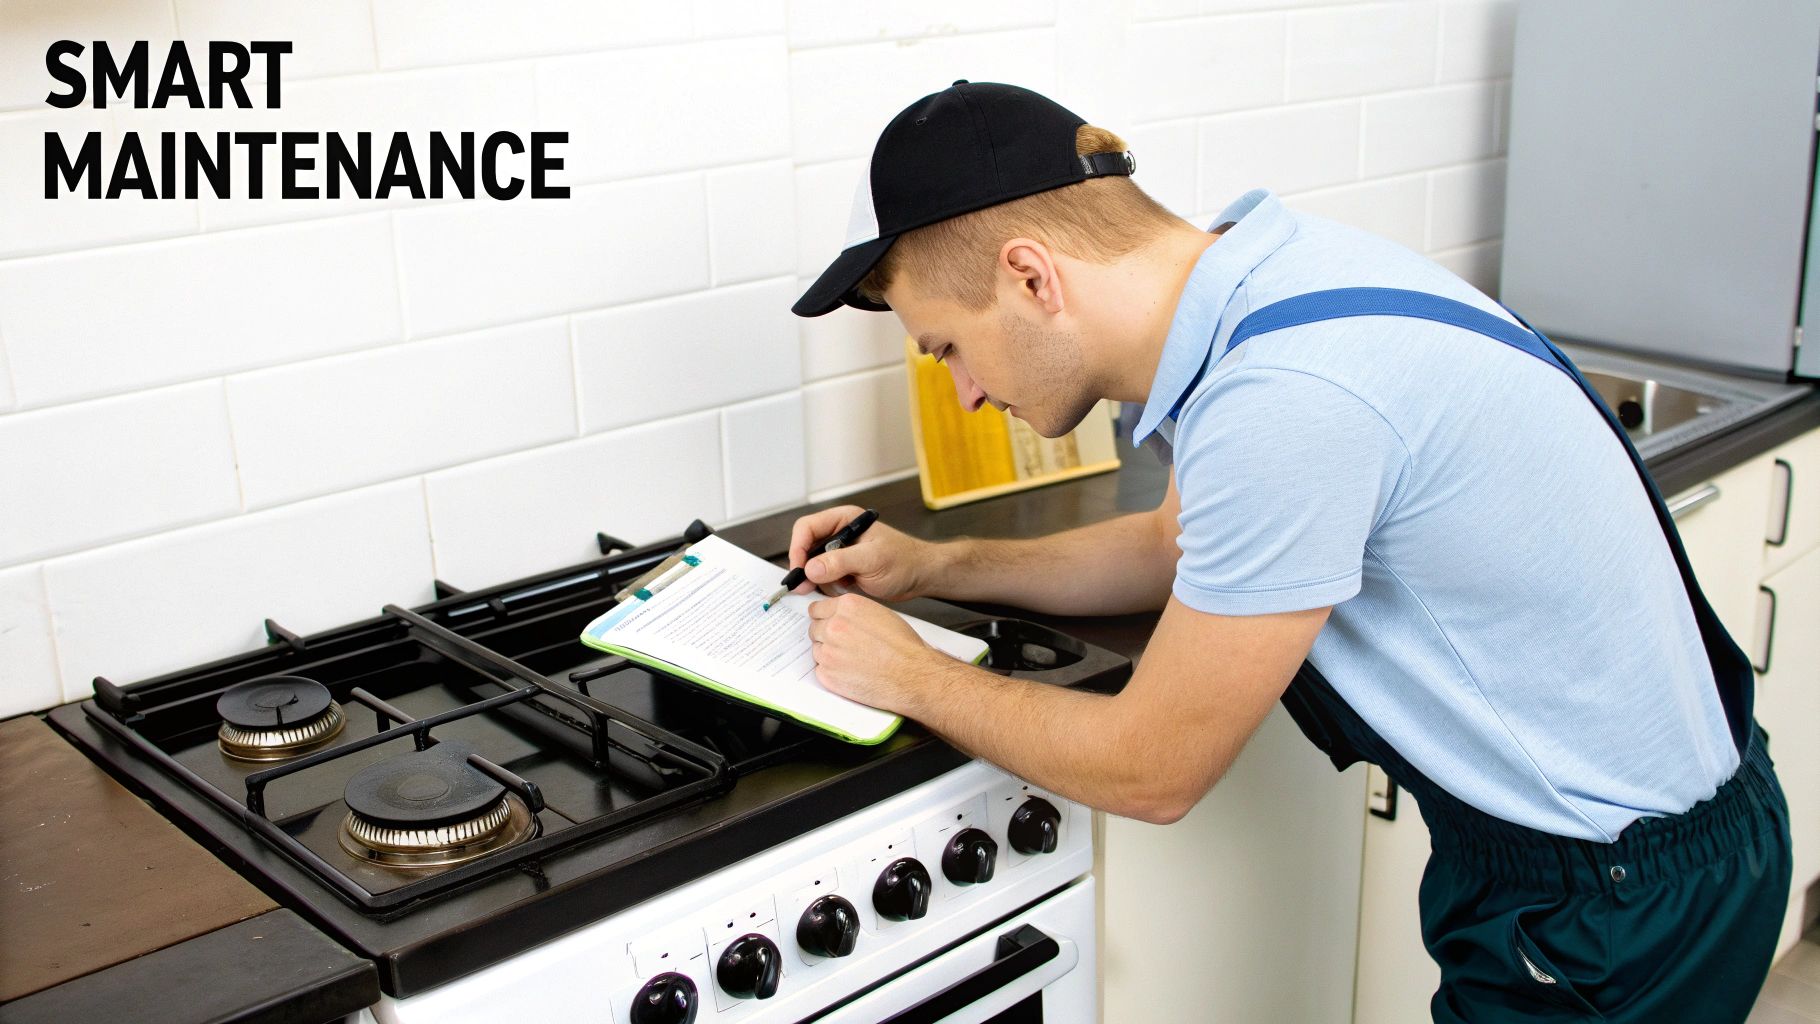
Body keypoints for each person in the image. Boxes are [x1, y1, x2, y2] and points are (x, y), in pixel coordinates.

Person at [786, 81, 1791, 1022]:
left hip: (1612, 898)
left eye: (945, 346)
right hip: (1619, 843)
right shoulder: (1256, 278)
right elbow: (1172, 545)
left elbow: (1152, 768)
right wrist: (931, 565)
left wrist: (911, 674)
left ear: (1030, 276)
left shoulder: (1283, 401)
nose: (959, 392)